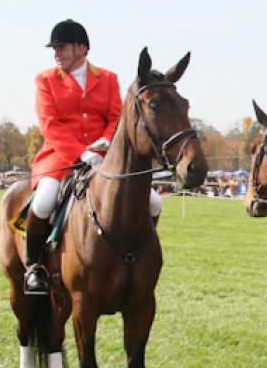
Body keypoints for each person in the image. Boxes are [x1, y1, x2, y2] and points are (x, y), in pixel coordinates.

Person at [24, 19, 164, 296]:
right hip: (59, 156)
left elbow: (116, 117)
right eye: (55, 49)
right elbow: (49, 124)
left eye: (61, 47)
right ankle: (34, 267)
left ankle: (138, 254)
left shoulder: (108, 79)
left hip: (104, 157)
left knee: (154, 201)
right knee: (43, 202)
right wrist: (81, 152)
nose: (56, 54)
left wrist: (104, 144)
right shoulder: (45, 79)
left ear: (81, 48)